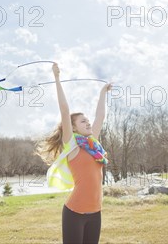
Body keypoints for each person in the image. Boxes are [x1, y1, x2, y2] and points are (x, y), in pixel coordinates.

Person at [37, 62, 112, 244]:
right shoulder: (73, 146)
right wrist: (56, 78)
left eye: (87, 121)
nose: (88, 123)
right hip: (74, 213)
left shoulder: (93, 145)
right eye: (83, 121)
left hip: (96, 212)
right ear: (73, 128)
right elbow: (64, 109)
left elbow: (100, 116)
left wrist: (102, 93)